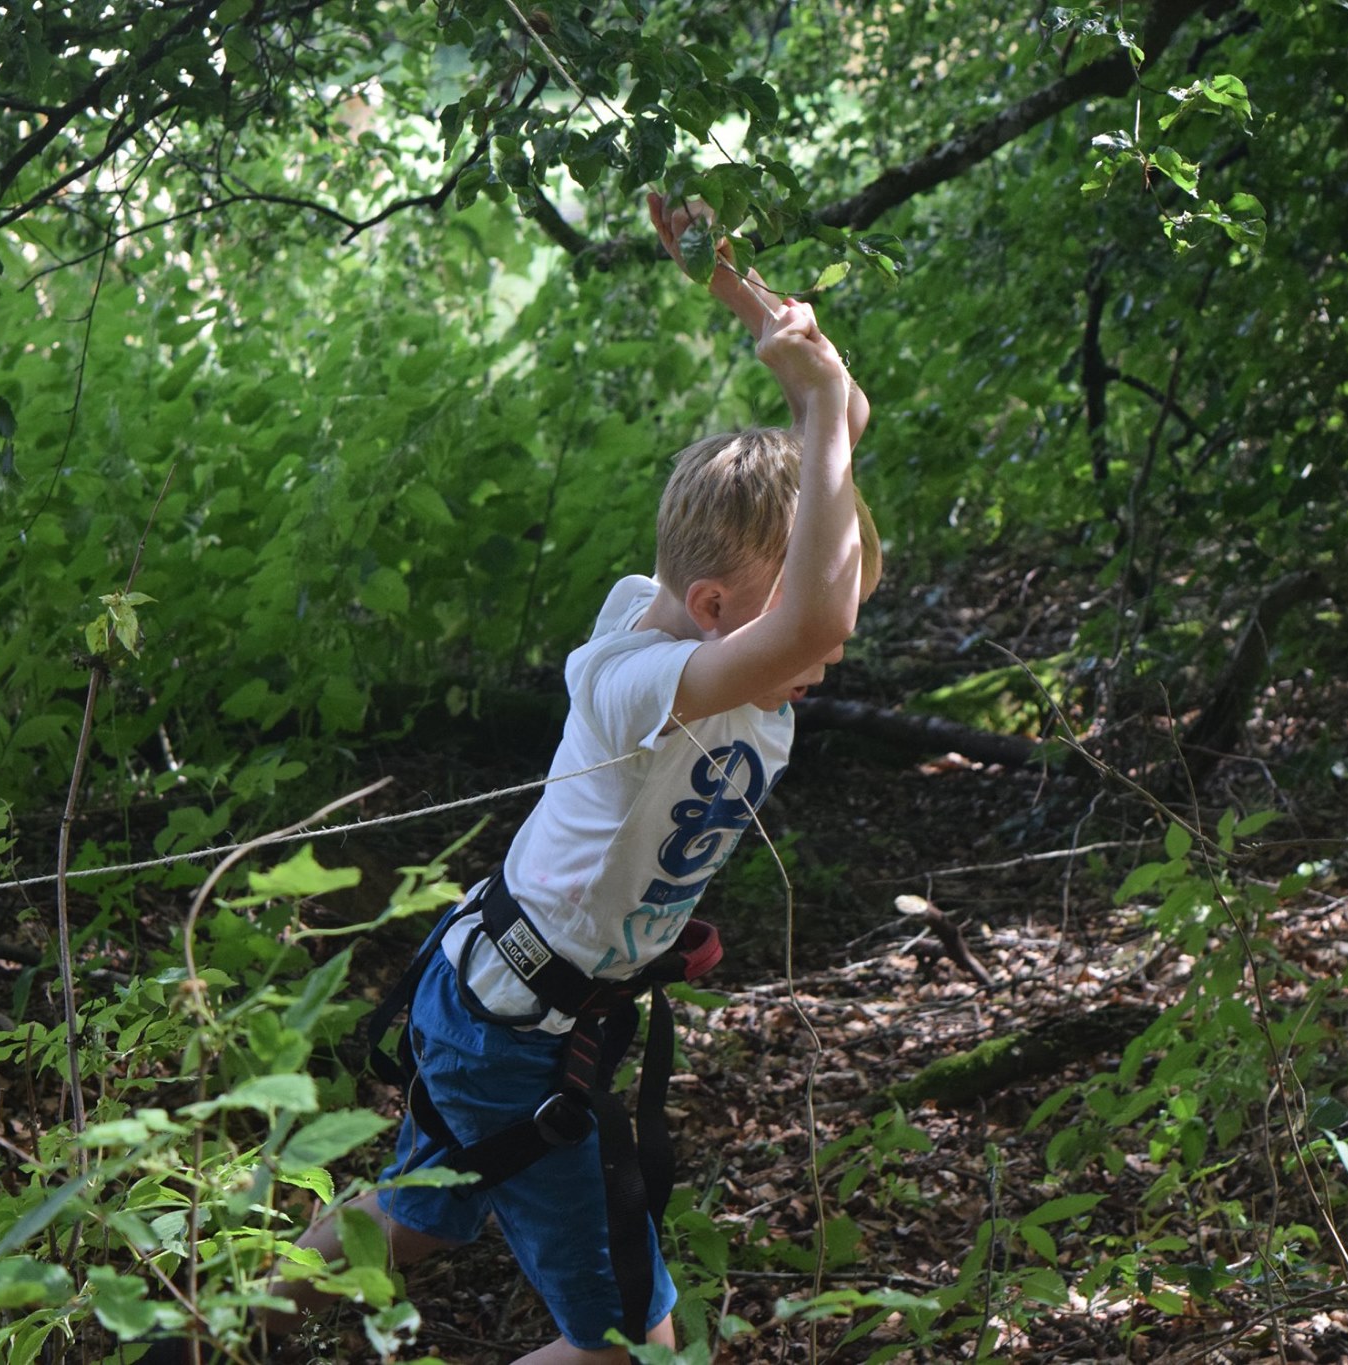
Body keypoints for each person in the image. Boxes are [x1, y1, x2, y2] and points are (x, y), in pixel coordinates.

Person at [263, 194, 883, 1364]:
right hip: (518, 1034)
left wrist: (754, 312)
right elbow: (807, 620)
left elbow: (831, 451)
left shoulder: (690, 635)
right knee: (629, 1352)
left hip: (505, 999)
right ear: (712, 613)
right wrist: (809, 407)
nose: (831, 652)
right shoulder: (635, 680)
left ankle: (187, 1333)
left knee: (415, 1217)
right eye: (818, 634)